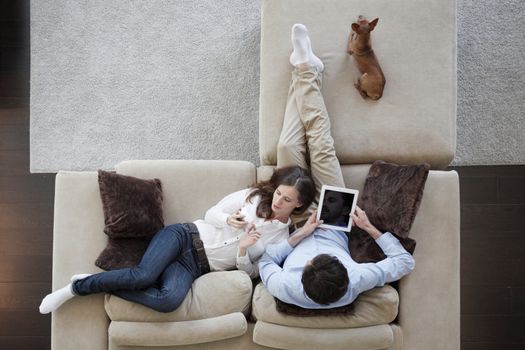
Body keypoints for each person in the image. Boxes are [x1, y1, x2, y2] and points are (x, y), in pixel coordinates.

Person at [258, 24, 415, 309]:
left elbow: (267, 261)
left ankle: (307, 69)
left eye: (307, 263)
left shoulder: (286, 287)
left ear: (302, 278)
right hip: (335, 219)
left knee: (287, 147)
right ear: (344, 269)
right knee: (320, 145)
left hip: (298, 220)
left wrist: (303, 234)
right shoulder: (356, 277)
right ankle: (305, 68)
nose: (308, 258)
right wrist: (369, 229)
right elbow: (404, 262)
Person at [39, 166, 315, 314]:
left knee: (167, 301)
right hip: (184, 236)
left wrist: (243, 251)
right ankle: (76, 289)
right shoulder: (253, 197)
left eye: (287, 199)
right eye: (278, 192)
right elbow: (211, 213)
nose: (278, 201)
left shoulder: (280, 237)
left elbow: (253, 271)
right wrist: (227, 221)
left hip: (194, 267)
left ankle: (89, 282)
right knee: (143, 276)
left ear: (299, 204)